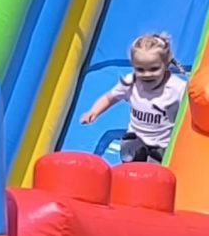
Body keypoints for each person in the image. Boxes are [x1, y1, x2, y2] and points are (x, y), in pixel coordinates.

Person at [80, 33, 189, 163]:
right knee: (129, 156)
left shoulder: (177, 88)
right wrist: (94, 111)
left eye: (154, 69)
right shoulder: (131, 83)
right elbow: (110, 98)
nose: (147, 74)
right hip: (135, 139)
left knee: (155, 168)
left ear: (166, 64)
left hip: (162, 144)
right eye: (140, 69)